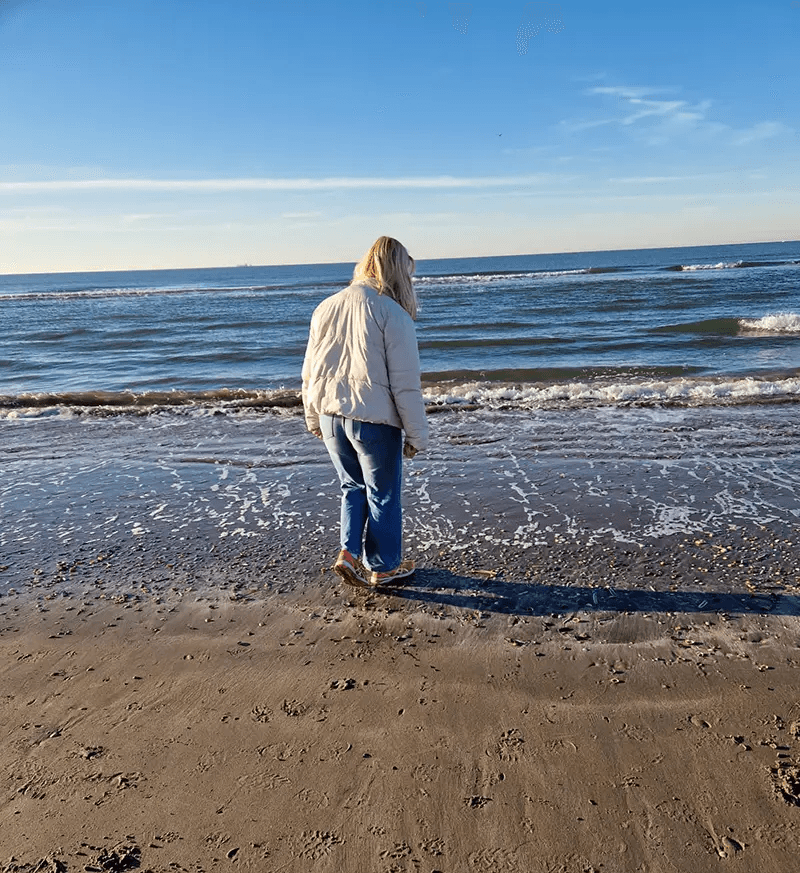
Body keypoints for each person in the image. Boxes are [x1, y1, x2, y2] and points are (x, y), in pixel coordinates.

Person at [301, 236, 429, 588]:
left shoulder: (326, 307)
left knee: (351, 487)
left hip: (329, 413)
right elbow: (405, 384)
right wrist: (417, 434)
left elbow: (309, 371)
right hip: (372, 419)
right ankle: (384, 567)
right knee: (383, 492)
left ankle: (347, 553)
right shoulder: (392, 313)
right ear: (398, 270)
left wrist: (312, 416)